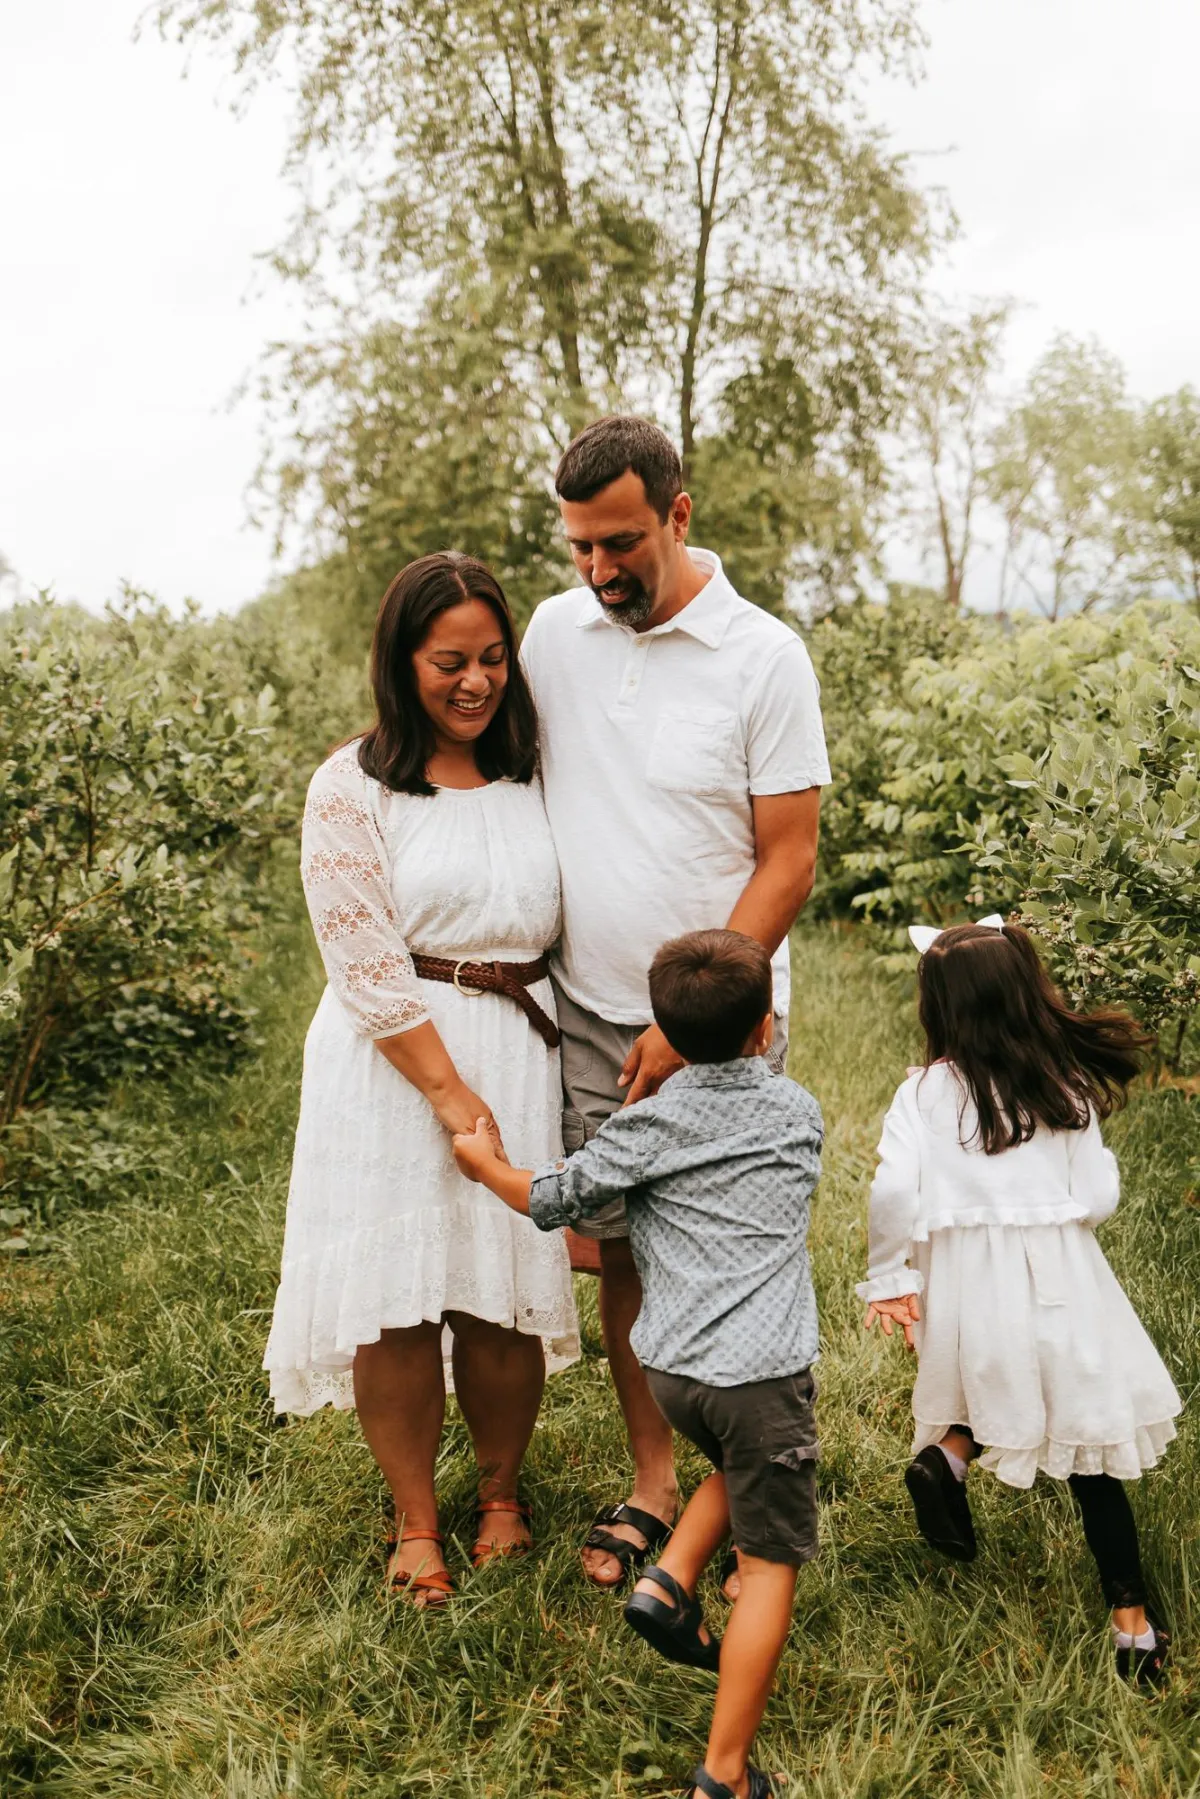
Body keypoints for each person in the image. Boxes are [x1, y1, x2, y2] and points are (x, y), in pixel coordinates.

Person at [520, 414, 830, 1590]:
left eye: (623, 544)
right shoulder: (555, 632)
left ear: (680, 514)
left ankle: (746, 1483)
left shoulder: (764, 657)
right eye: (581, 547)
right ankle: (658, 1478)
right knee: (626, 1261)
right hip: (590, 1004)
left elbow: (789, 858)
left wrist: (684, 1025)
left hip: (718, 1026)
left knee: (721, 1262)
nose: (599, 572)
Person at [264, 552, 578, 1607]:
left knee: (498, 1291)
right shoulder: (351, 783)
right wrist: (448, 1092)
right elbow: (360, 954)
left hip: (520, 1048)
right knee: (398, 1300)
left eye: (494, 658)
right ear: (403, 662)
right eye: (451, 661)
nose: (477, 681)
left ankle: (499, 1492)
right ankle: (413, 1518)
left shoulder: (539, 772)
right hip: (394, 1063)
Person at [454, 929, 823, 1799]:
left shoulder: (642, 1126)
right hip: (761, 1372)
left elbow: (551, 1200)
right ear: (765, 1028)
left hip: (673, 1376)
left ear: (659, 1032)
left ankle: (668, 1581)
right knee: (771, 1564)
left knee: (739, 1465)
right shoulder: (796, 1109)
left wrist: (483, 1164)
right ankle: (724, 1774)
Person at [859, 917, 1181, 1687]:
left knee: (984, 1383)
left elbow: (892, 1190)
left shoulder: (923, 1092)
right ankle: (1131, 1624)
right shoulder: (1063, 1083)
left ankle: (949, 1455)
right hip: (1064, 1290)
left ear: (940, 1007)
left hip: (970, 1296)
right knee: (1092, 1454)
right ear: (1029, 994)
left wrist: (891, 1273)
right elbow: (1098, 1194)